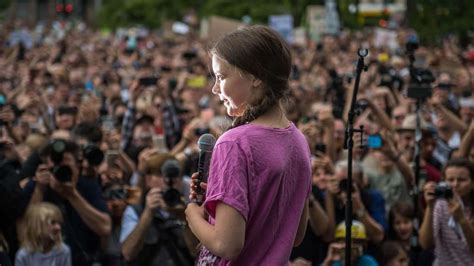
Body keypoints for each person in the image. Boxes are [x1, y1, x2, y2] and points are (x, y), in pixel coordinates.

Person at [185, 25, 311, 264]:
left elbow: (227, 245)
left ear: (255, 77)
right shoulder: (299, 141)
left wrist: (193, 216)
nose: (214, 88)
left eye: (221, 77)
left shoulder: (233, 143)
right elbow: (295, 235)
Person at [22, 139, 111, 265]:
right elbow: (26, 232)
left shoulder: (87, 185)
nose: (61, 171)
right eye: (56, 167)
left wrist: (72, 194)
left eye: (66, 167)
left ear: (77, 167)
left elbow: (105, 228)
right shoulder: (37, 187)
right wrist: (39, 190)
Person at [120, 153, 194, 266]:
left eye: (175, 175)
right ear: (148, 179)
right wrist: (148, 214)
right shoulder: (135, 211)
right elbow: (128, 254)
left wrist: (184, 218)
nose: (169, 180)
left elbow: (196, 253)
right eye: (161, 174)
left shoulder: (191, 209)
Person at [419, 158, 474, 265]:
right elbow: (425, 243)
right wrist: (430, 207)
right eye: (450, 180)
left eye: (462, 180)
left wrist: (461, 219)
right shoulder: (440, 204)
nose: (455, 184)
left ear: (472, 183)